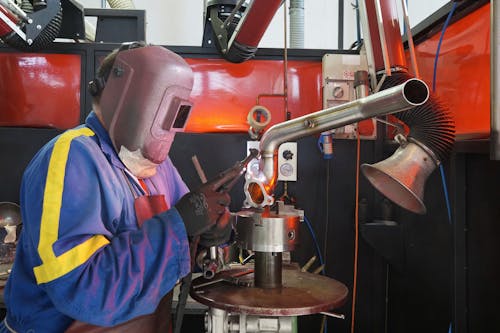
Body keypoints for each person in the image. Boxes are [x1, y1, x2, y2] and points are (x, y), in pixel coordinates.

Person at [0, 41, 233, 332]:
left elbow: (183, 233)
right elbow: (82, 289)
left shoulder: (154, 165)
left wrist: (210, 230)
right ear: (126, 97)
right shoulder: (73, 157)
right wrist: (178, 225)